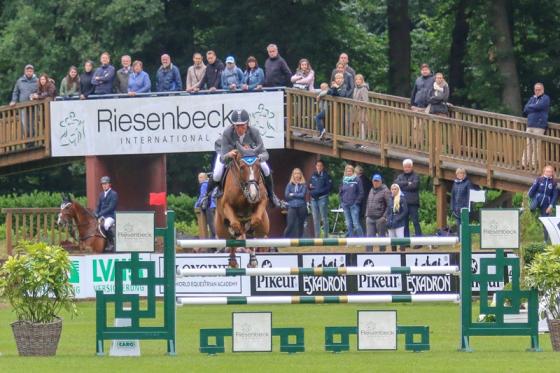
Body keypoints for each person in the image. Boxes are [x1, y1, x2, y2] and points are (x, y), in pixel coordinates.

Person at [205, 109, 282, 208]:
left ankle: (272, 195)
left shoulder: (254, 132)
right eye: (237, 126)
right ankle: (207, 196)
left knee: (266, 169)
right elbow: (223, 159)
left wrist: (258, 157)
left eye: (243, 125)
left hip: (250, 156)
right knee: (217, 173)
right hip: (226, 152)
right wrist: (229, 154)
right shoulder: (227, 133)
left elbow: (265, 154)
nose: (240, 129)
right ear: (233, 125)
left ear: (247, 124)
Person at [523, 83, 551, 167]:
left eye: (539, 90)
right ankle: (524, 163)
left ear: (543, 90)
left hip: (539, 125)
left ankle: (533, 165)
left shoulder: (545, 98)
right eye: (536, 90)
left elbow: (540, 106)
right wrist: (534, 106)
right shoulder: (532, 98)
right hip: (530, 124)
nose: (537, 91)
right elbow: (525, 109)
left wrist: (531, 107)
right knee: (528, 145)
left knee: (536, 146)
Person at [394, 159, 422, 243]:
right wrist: (407, 183)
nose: (406, 169)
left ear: (411, 167)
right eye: (405, 167)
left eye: (408, 167)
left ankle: (419, 242)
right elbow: (396, 184)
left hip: (413, 203)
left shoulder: (416, 176)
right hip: (403, 204)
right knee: (404, 223)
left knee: (415, 222)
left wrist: (403, 185)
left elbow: (414, 186)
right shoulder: (400, 176)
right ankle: (406, 242)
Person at [528, 165, 558, 242]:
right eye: (547, 171)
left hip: (546, 203)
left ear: (552, 173)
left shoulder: (554, 182)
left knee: (546, 221)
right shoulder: (539, 179)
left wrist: (551, 206)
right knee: (532, 208)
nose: (548, 173)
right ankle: (534, 217)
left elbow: (555, 195)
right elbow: (533, 189)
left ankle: (545, 240)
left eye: (550, 171)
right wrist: (528, 196)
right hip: (537, 198)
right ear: (544, 172)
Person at [365, 174, 391, 252]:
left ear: (381, 181)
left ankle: (382, 254)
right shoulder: (371, 190)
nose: (375, 182)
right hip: (370, 218)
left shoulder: (386, 190)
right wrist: (367, 215)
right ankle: (368, 255)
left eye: (377, 181)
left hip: (380, 219)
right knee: (369, 239)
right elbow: (368, 202)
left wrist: (384, 217)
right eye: (374, 181)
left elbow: (390, 205)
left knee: (381, 239)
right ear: (372, 181)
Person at [309, 159, 332, 238]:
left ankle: (326, 237)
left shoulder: (326, 175)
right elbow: (309, 186)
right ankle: (317, 237)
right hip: (313, 199)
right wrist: (312, 192)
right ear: (315, 166)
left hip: (322, 198)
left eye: (320, 165)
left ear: (323, 167)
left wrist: (318, 191)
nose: (319, 167)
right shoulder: (313, 175)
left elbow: (328, 187)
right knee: (315, 219)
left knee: (324, 218)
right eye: (317, 165)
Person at [339, 164, 364, 237]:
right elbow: (340, 191)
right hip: (345, 205)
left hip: (354, 205)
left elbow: (361, 192)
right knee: (348, 224)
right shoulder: (343, 180)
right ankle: (351, 240)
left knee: (356, 224)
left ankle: (361, 240)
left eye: (350, 171)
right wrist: (342, 202)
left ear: (353, 172)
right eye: (347, 171)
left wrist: (356, 203)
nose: (348, 172)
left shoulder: (357, 179)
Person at [95, 176, 118, 252]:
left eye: (106, 184)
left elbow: (111, 207)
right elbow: (98, 206)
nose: (104, 185)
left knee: (106, 225)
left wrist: (100, 214)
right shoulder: (101, 194)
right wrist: (95, 212)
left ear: (109, 184)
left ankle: (111, 243)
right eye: (103, 184)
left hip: (110, 216)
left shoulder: (114, 194)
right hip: (101, 216)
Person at [284, 168, 308, 238]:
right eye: (295, 173)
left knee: (301, 224)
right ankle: (284, 240)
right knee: (290, 224)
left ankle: (300, 241)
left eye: (298, 173)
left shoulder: (303, 184)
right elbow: (286, 195)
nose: (297, 175)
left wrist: (293, 194)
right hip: (292, 206)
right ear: (293, 175)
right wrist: (296, 195)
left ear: (301, 175)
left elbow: (302, 195)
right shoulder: (289, 185)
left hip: (301, 206)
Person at [386, 184, 408, 251]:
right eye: (392, 189)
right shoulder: (390, 199)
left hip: (399, 223)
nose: (393, 190)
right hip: (391, 223)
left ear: (398, 190)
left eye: (395, 189)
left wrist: (398, 219)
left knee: (401, 240)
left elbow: (405, 211)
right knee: (392, 241)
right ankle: (394, 255)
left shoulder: (402, 198)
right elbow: (388, 210)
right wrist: (387, 219)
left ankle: (402, 255)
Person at [194, 172, 216, 239]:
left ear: (205, 177)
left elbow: (202, 196)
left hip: (209, 206)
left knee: (211, 226)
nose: (199, 179)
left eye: (201, 177)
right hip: (215, 206)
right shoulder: (212, 184)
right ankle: (214, 242)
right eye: (198, 177)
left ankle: (213, 243)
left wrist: (196, 205)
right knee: (215, 224)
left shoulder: (204, 184)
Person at [354, 165, 371, 233]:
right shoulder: (367, 180)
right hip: (366, 203)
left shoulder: (359, 180)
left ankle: (362, 236)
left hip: (361, 204)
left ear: (356, 172)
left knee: (360, 222)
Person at [352, 74, 369, 140]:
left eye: (359, 79)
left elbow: (365, 101)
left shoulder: (364, 89)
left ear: (362, 80)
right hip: (356, 109)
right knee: (357, 124)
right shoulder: (355, 88)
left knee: (362, 124)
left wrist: (359, 105)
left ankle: (362, 141)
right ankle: (358, 140)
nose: (357, 81)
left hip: (362, 110)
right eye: (356, 79)